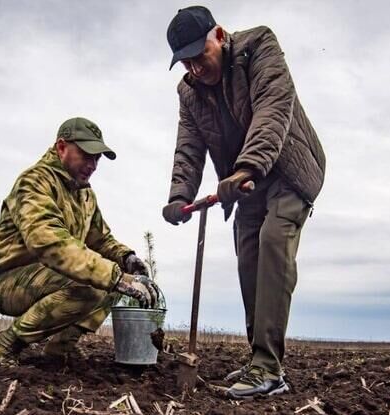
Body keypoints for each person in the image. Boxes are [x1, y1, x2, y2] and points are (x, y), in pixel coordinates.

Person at [162, 6, 326, 399]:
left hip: (287, 168)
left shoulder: (259, 47)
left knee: (273, 243)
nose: (196, 68)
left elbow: (273, 109)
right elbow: (189, 146)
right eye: (186, 62)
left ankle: (269, 369)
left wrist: (247, 167)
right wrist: (178, 195)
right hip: (244, 184)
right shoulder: (189, 91)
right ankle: (259, 360)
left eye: (200, 56)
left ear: (219, 35)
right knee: (248, 255)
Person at [0, 116, 159, 365]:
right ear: (61, 147)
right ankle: (4, 347)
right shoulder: (34, 182)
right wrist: (114, 276)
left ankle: (61, 348)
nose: (93, 164)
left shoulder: (85, 194)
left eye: (97, 158)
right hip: (5, 279)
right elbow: (48, 242)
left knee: (112, 282)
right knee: (97, 284)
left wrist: (126, 258)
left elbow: (101, 239)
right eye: (86, 155)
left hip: (46, 275)